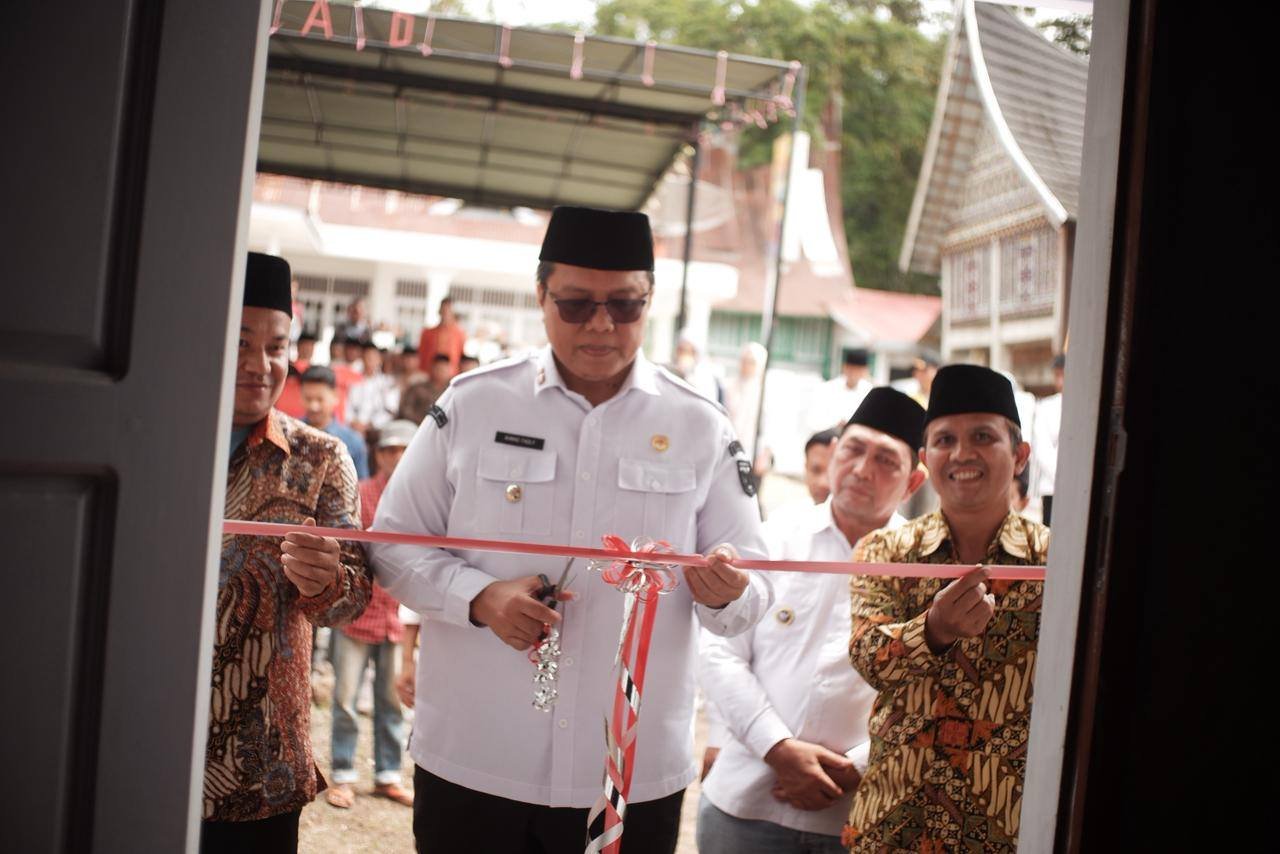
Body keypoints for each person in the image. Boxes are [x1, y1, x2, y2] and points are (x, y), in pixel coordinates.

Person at [368, 205, 772, 854]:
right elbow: (391, 541)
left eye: (625, 305)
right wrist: (479, 597)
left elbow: (755, 584)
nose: (601, 324)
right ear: (541, 296)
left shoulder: (700, 425)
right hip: (477, 756)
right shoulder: (474, 404)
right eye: (577, 304)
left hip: (627, 770)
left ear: (650, 302)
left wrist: (728, 592)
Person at [698, 388, 927, 854]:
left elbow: (930, 690)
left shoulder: (926, 566)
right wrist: (778, 748)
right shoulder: (774, 537)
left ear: (913, 482)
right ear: (835, 450)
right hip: (747, 802)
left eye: (886, 460)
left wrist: (856, 766)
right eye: (854, 449)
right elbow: (719, 650)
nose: (862, 469)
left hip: (860, 815)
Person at [202, 252, 371, 853]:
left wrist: (327, 581)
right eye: (240, 343)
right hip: (142, 738)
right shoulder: (157, 439)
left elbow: (355, 597)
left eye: (276, 347)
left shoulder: (320, 458)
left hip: (263, 764)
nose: (260, 364)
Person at [844, 364, 1050, 853]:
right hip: (893, 824)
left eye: (983, 436)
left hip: (1003, 830)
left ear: (1020, 455)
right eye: (944, 440)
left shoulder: (1055, 561)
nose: (962, 454)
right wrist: (933, 630)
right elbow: (868, 656)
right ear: (925, 458)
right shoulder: (885, 551)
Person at [326, 419, 418, 811]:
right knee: (345, 698)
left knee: (392, 701)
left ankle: (388, 774)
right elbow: (348, 550)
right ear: (378, 455)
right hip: (358, 613)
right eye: (389, 450)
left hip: (397, 615)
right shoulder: (361, 493)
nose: (396, 457)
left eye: (404, 450)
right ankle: (343, 773)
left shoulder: (422, 498)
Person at [300, 366, 369, 479]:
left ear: (336, 396)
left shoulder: (353, 442)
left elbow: (361, 484)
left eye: (320, 399)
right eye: (308, 399)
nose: (313, 406)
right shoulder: (289, 433)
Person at [805, 348, 873, 434]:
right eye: (852, 369)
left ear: (865, 371)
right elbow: (814, 420)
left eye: (858, 370)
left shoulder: (869, 391)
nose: (854, 373)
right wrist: (835, 424)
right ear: (845, 367)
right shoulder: (827, 388)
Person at [1031, 353, 1065, 525]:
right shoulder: (1046, 407)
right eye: (1057, 375)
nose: (1060, 381)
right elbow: (1042, 450)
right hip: (1052, 488)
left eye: (1063, 374)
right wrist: (1062, 478)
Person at [347, 342, 400, 435]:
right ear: (362, 359)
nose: (370, 361)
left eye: (373, 358)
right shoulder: (352, 382)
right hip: (352, 428)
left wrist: (371, 424)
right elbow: (346, 406)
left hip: (376, 431)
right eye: (367, 357)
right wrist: (353, 422)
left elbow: (390, 411)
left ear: (380, 360)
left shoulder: (387, 383)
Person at [417, 296, 466, 375]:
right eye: (444, 310)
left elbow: (461, 356)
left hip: (451, 374)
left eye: (449, 310)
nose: (446, 313)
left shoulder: (459, 334)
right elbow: (421, 354)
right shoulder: (427, 333)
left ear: (453, 313)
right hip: (430, 373)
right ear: (439, 311)